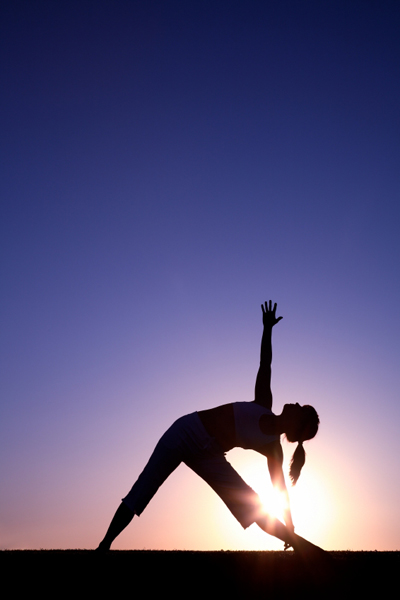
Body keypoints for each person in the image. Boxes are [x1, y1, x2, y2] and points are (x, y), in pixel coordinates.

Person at [96, 301, 319, 552]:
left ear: (296, 425)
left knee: (252, 504)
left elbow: (280, 491)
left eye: (301, 409)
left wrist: (290, 525)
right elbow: (265, 363)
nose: (297, 403)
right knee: (143, 488)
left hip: (210, 456)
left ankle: (298, 544)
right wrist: (267, 329)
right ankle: (104, 547)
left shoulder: (273, 449)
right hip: (186, 431)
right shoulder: (263, 403)